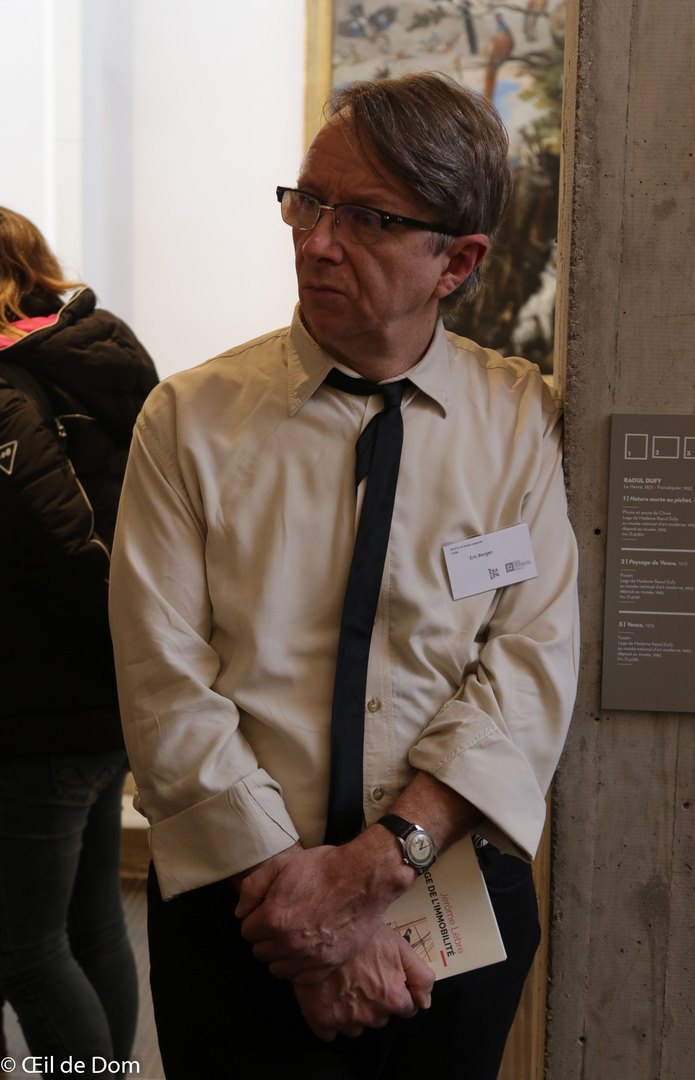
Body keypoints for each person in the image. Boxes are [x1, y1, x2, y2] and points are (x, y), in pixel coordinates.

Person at [109, 72, 579, 1080]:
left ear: (457, 261)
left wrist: (377, 867)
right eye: (308, 202)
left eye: (367, 218)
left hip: (451, 906)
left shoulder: (518, 421)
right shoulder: (189, 421)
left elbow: (528, 662)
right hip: (241, 906)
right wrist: (304, 913)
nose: (317, 242)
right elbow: (163, 684)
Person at [0, 207, 158, 1073]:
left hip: (39, 714)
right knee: (92, 921)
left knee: (24, 950)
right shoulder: (89, 359)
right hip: (99, 699)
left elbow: (61, 549)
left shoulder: (6, 390)